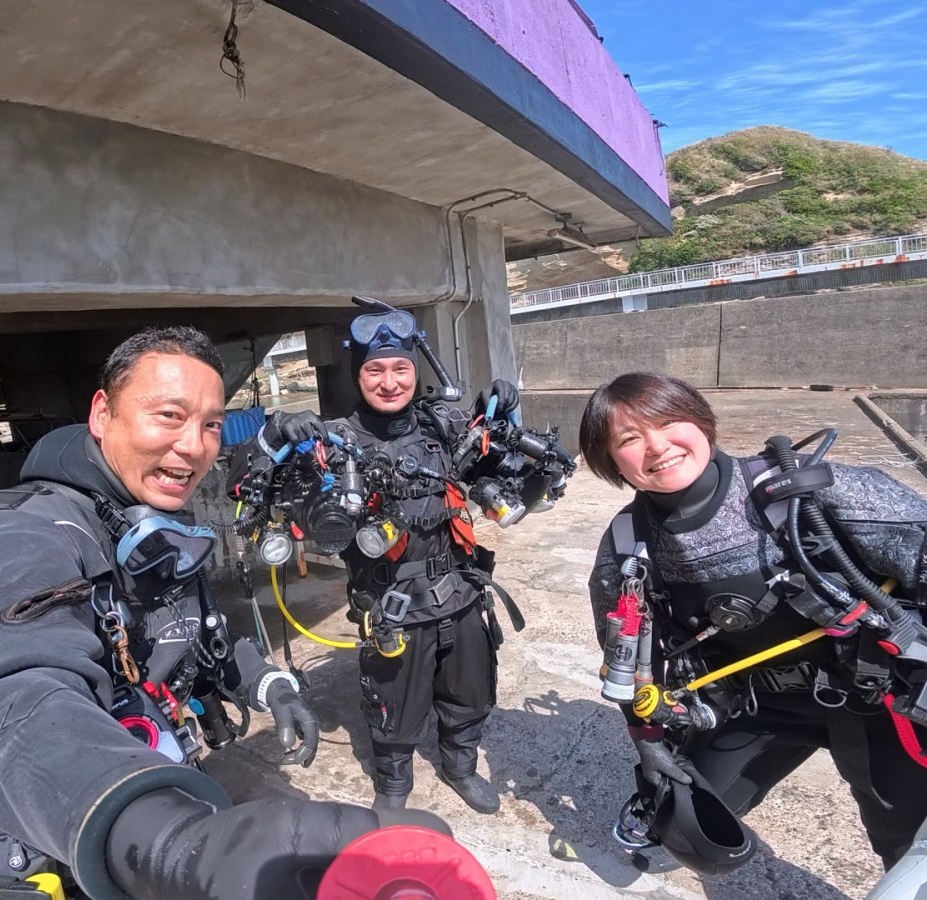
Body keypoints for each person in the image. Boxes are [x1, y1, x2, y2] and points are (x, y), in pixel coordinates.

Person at [0, 325, 445, 900]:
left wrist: (269, 685)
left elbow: (198, 633)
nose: (194, 445)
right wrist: (161, 835)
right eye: (169, 416)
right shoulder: (22, 539)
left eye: (210, 424)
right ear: (103, 414)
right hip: (44, 838)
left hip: (143, 777)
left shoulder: (147, 524)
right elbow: (14, 700)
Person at [579, 372, 927, 875]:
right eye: (629, 439)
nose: (657, 446)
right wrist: (646, 741)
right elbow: (626, 660)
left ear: (700, 420)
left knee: (908, 854)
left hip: (875, 701)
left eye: (669, 421)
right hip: (756, 706)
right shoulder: (628, 543)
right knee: (681, 824)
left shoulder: (800, 489)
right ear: (610, 462)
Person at [231, 305, 570, 814]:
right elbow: (243, 484)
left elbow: (519, 477)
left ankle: (459, 766)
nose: (389, 382)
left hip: (461, 594)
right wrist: (274, 433)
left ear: (416, 372)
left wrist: (505, 414)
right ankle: (393, 785)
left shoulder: (445, 427)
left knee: (471, 694)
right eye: (375, 370)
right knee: (394, 707)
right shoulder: (333, 440)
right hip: (391, 607)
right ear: (358, 375)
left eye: (400, 369)